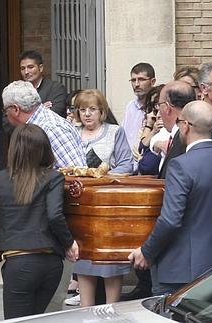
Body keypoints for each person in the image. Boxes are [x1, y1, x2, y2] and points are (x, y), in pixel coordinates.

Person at [129, 100, 212, 296]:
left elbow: (171, 219)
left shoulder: (180, 165)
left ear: (185, 125)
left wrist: (147, 251)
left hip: (177, 268)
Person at [0, 124, 79, 319]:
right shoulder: (54, 178)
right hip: (51, 263)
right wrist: (68, 242)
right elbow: (55, 215)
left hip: (18, 262)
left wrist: (2, 241)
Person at [71, 89, 133, 307]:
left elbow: (127, 163)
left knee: (110, 261)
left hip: (108, 205)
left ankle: (111, 311)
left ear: (102, 111)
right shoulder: (71, 131)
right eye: (83, 109)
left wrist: (104, 174)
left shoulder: (115, 132)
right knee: (84, 258)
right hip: (80, 205)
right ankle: (84, 310)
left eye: (92, 109)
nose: (87, 114)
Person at [2, 80, 86, 169]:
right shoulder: (39, 124)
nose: (6, 115)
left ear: (15, 109)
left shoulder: (52, 129)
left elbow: (77, 175)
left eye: (5, 110)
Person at [122, 63, 156, 173]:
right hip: (128, 168)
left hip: (148, 167)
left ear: (153, 81)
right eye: (133, 80)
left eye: (141, 79)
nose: (136, 84)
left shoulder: (157, 108)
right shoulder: (130, 106)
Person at [19, 50, 68, 118]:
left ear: (41, 68)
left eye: (30, 67)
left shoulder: (56, 89)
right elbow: (7, 119)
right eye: (23, 68)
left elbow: (54, 115)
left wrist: (24, 113)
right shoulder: (17, 91)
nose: (26, 72)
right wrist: (41, 109)